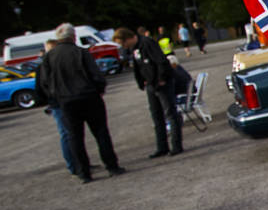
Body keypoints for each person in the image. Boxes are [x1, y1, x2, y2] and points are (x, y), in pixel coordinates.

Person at [35, 23, 125, 183]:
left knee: (75, 137)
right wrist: (99, 88)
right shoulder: (80, 52)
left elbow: (44, 82)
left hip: (66, 101)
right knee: (101, 133)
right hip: (89, 97)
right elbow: (95, 74)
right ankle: (111, 166)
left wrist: (55, 97)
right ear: (73, 36)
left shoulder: (49, 57)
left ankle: (83, 173)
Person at [114, 27, 183, 158]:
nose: (123, 46)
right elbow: (140, 66)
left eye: (123, 43)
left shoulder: (147, 43)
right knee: (156, 116)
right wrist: (142, 81)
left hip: (161, 83)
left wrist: (161, 79)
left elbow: (161, 61)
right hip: (150, 84)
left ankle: (176, 145)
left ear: (128, 38)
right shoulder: (134, 49)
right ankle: (162, 147)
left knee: (170, 113)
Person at [40, 39, 77, 176]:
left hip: (62, 102)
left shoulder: (47, 65)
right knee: (67, 134)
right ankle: (73, 165)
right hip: (59, 103)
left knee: (72, 133)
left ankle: (78, 162)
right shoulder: (46, 66)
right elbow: (41, 88)